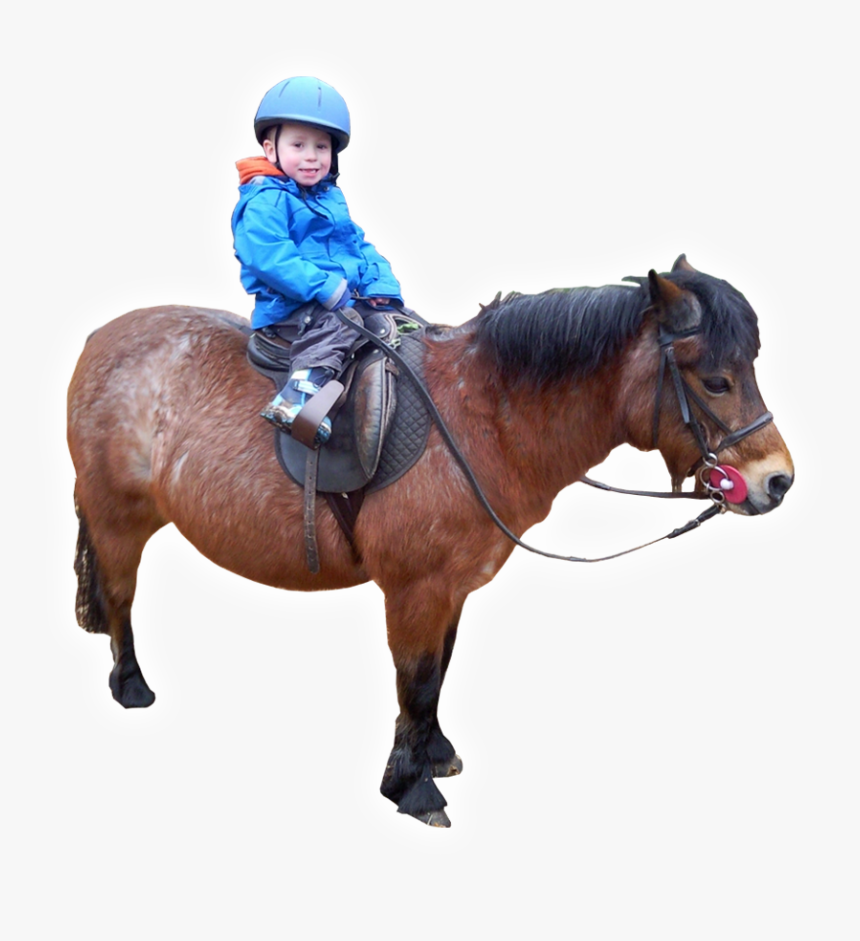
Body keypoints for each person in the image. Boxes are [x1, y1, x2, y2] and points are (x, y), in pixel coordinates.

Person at [231, 76, 403, 445]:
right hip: (292, 307)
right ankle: (298, 397)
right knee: (339, 326)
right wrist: (325, 288)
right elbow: (268, 256)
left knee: (397, 326)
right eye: (299, 145)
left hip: (335, 298)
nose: (312, 156)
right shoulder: (266, 199)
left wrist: (382, 288)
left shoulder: (328, 199)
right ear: (270, 149)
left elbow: (358, 246)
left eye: (321, 147)